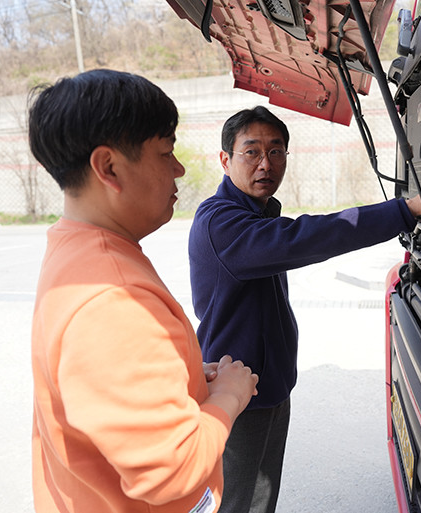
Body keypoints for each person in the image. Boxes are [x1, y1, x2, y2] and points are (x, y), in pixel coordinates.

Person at [188, 106, 421, 513]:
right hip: (236, 393)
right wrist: (409, 209)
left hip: (267, 387)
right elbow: (310, 237)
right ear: (225, 160)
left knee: (260, 500)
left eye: (276, 151)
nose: (266, 164)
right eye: (252, 151)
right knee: (233, 503)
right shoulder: (221, 223)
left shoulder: (254, 213)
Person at [28, 69, 259, 513]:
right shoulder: (112, 301)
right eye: (166, 152)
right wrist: (230, 394)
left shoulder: (74, 248)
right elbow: (172, 470)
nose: (179, 168)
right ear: (109, 168)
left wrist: (185, 376)